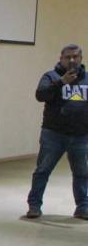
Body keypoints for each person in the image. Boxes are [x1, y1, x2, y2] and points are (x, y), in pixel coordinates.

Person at [26, 44, 88, 219]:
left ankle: (83, 207)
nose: (71, 60)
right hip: (54, 134)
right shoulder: (51, 76)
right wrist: (61, 82)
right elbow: (40, 95)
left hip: (81, 136)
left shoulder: (87, 79)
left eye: (75, 57)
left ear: (81, 59)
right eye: (67, 57)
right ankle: (34, 205)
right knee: (43, 170)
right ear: (60, 58)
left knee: (82, 173)